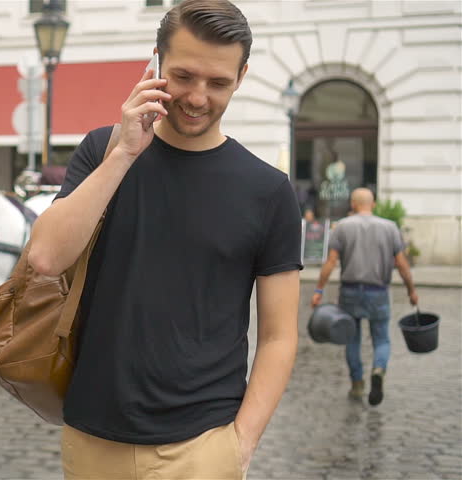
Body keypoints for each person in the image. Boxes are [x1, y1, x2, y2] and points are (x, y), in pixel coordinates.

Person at [27, 1, 303, 478]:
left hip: (204, 446)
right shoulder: (102, 150)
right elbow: (47, 257)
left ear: (241, 77)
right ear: (156, 61)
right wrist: (124, 152)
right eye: (184, 76)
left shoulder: (268, 191)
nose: (197, 97)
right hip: (93, 437)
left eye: (218, 82)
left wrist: (242, 443)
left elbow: (279, 335)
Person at [311, 188, 418, 406]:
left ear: (353, 203)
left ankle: (357, 384)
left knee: (351, 338)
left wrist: (319, 290)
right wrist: (411, 290)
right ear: (374, 204)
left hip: (350, 291)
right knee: (381, 338)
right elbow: (402, 264)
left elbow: (330, 262)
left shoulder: (342, 227)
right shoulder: (390, 228)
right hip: (378, 292)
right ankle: (378, 369)